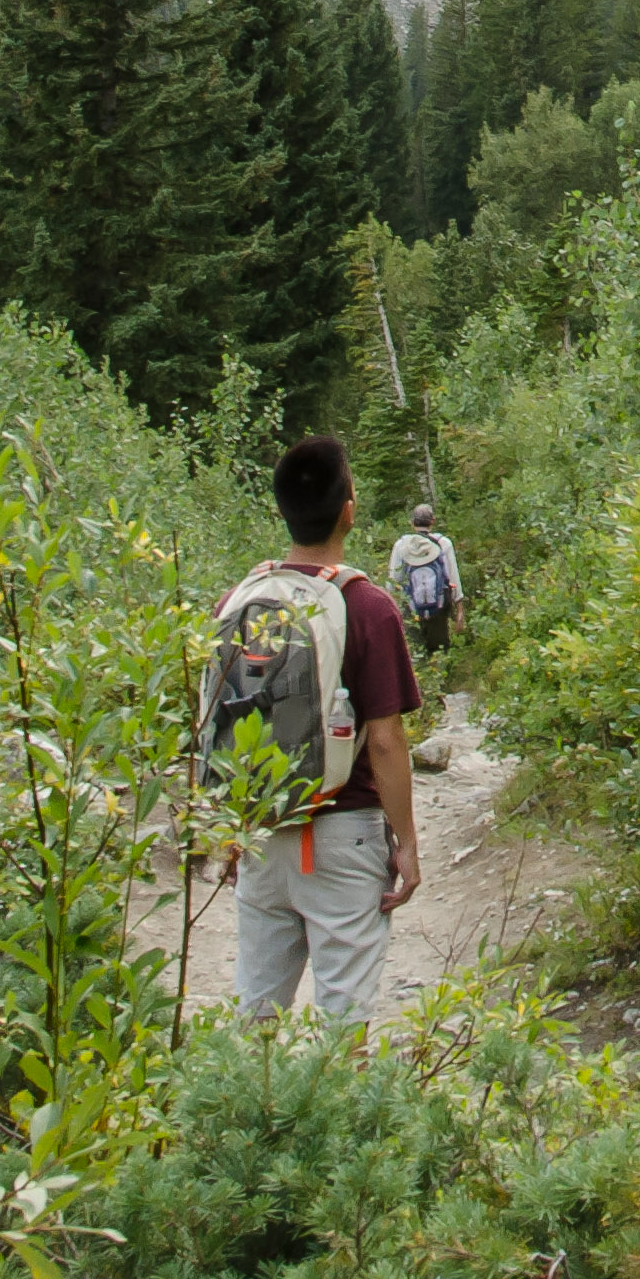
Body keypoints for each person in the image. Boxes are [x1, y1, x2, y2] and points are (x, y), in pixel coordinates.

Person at [220, 433, 424, 1026]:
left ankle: (236, 1117)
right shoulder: (367, 607)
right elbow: (384, 740)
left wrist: (228, 825)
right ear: (349, 511)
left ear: (282, 510)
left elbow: (214, 722)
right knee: (343, 1020)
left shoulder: (238, 601)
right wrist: (407, 844)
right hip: (342, 834)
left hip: (262, 828)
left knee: (253, 1015)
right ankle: (339, 1121)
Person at [385, 502, 464, 663]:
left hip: (411, 607)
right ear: (432, 521)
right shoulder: (444, 543)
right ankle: (441, 680)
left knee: (415, 650)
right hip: (439, 605)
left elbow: (393, 581)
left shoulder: (402, 545)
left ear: (412, 522)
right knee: (439, 650)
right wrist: (460, 609)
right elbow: (453, 577)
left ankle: (421, 683)